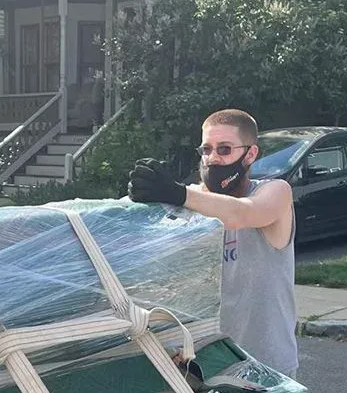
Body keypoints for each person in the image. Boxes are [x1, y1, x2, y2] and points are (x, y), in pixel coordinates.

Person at [126, 109, 298, 379]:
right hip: (205, 366)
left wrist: (176, 192)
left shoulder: (275, 192)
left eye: (225, 149)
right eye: (206, 149)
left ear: (250, 154)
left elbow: (243, 214)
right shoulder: (191, 201)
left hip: (268, 365)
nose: (213, 158)